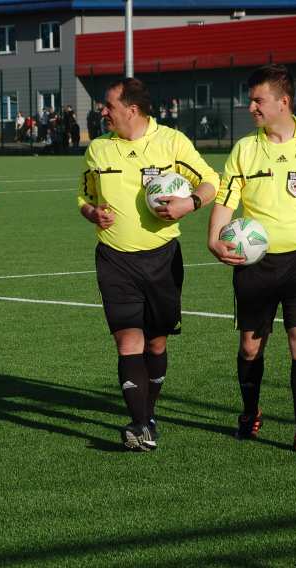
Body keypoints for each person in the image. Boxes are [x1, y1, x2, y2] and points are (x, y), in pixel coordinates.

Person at [208, 65, 296, 457]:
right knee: (251, 348)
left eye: (258, 100)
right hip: (255, 265)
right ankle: (250, 412)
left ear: (283, 102)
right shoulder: (245, 149)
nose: (251, 106)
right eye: (250, 99)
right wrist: (213, 239)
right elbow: (225, 200)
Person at [77, 78, 219, 451]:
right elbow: (85, 196)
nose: (102, 112)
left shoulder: (171, 142)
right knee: (128, 339)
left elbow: (209, 181)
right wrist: (91, 211)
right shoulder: (98, 150)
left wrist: (190, 203)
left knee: (156, 343)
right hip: (113, 258)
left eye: (108, 105)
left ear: (132, 110)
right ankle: (138, 426)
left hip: (162, 258)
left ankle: (149, 415)